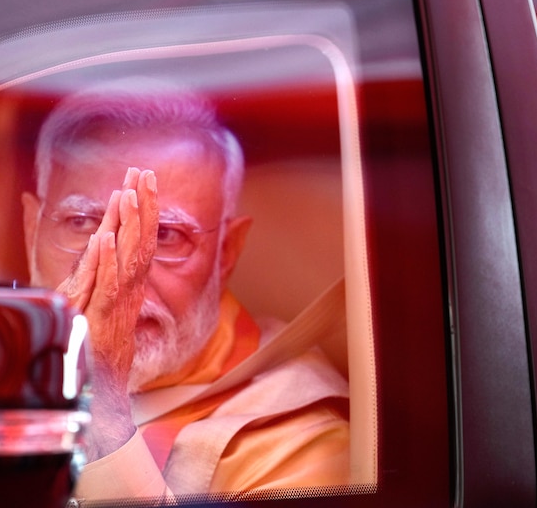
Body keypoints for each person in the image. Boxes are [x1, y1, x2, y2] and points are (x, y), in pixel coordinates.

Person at [21, 78, 350, 503]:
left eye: (166, 235)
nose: (119, 276)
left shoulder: (299, 447)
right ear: (32, 228)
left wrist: (102, 412)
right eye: (82, 222)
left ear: (227, 251)